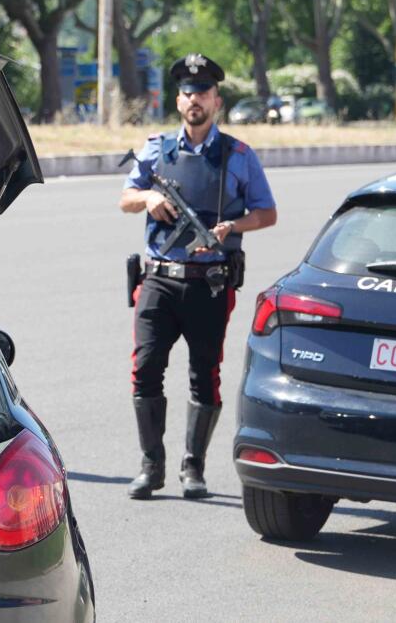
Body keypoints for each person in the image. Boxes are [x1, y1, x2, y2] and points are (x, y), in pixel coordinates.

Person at [119, 53, 278, 500]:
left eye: (203, 92)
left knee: (204, 373)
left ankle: (194, 467)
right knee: (146, 368)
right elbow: (125, 197)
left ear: (216, 101)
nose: (195, 99)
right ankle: (152, 467)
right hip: (159, 279)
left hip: (209, 282)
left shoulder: (238, 157)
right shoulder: (155, 150)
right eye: (188, 92)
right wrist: (148, 196)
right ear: (178, 100)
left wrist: (232, 228)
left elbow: (267, 213)